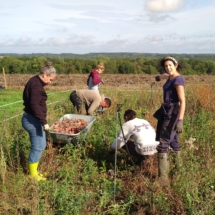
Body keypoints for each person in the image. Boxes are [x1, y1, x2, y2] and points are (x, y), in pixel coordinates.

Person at [21, 61, 57, 181]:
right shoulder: (36, 85)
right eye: (50, 79)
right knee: (37, 147)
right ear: (44, 75)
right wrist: (44, 121)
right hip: (32, 120)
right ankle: (32, 175)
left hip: (33, 119)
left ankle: (34, 172)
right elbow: (34, 105)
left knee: (41, 145)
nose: (50, 82)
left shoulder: (35, 81)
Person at [154, 56, 185, 187]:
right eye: (166, 66)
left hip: (173, 112)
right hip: (166, 110)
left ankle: (163, 179)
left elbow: (182, 101)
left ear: (176, 65)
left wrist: (180, 120)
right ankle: (180, 172)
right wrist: (159, 77)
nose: (168, 68)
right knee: (174, 141)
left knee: (163, 142)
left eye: (170, 65)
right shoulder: (170, 77)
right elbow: (166, 76)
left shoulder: (178, 80)